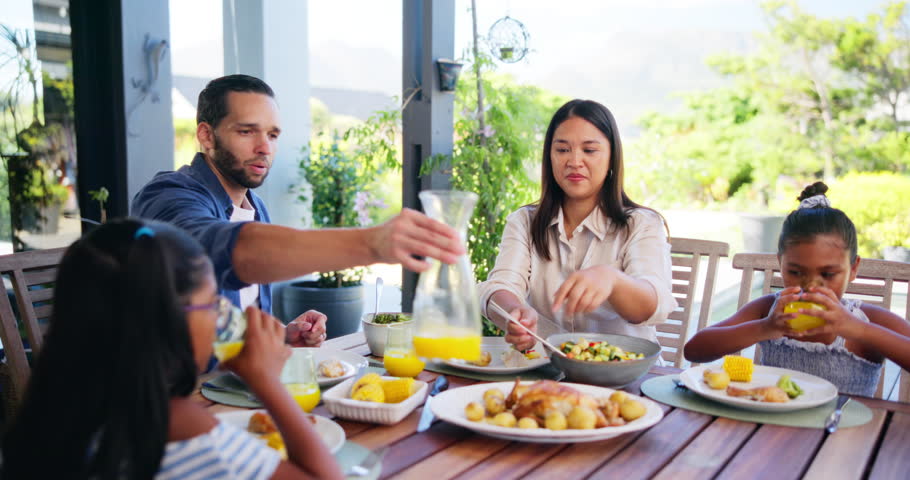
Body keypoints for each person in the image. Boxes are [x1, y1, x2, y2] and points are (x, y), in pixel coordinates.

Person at [132, 75, 463, 347]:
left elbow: (234, 324)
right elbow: (217, 250)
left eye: (273, 134)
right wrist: (371, 244)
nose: (265, 147)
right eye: (247, 131)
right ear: (206, 135)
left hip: (240, 393)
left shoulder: (254, 207)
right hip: (180, 403)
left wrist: (282, 335)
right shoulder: (168, 196)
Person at [1, 219, 344, 479]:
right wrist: (266, 381)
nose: (224, 315)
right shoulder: (181, 429)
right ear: (170, 320)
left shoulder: (52, 413)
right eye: (212, 303)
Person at [477, 99, 676, 352]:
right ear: (550, 157)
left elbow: (652, 304)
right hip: (546, 372)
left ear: (612, 157)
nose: (574, 161)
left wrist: (613, 280)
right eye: (562, 150)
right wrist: (515, 313)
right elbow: (499, 287)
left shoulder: (642, 224)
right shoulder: (525, 222)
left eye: (589, 150)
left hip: (623, 377)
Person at [684, 182, 910, 396]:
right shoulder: (767, 310)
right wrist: (764, 328)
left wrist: (858, 329)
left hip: (842, 433)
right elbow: (694, 350)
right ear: (780, 263)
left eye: (828, 274)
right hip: (775, 430)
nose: (810, 285)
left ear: (853, 268)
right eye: (795, 272)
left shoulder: (869, 321)